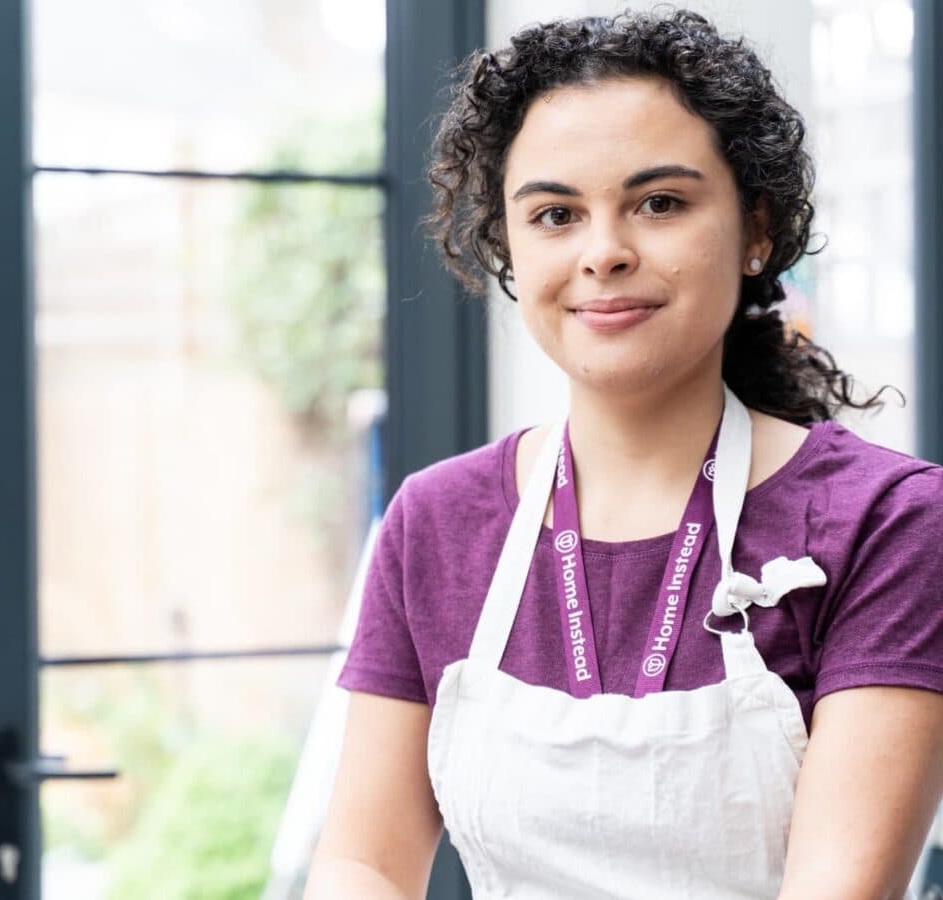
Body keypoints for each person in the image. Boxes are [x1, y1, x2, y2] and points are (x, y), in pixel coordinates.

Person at [305, 9, 943, 899]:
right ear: (510, 250)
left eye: (660, 203)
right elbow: (362, 861)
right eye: (556, 214)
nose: (603, 253)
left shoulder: (888, 522)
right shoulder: (437, 521)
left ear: (756, 229)